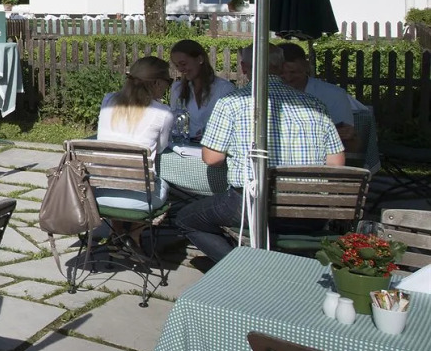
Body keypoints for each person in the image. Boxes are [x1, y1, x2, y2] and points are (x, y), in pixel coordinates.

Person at [177, 46, 344, 266]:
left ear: (245, 68)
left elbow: (211, 158)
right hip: (309, 211)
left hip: (252, 207)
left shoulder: (232, 103)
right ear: (282, 66)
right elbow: (336, 165)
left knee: (187, 219)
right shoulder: (314, 104)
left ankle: (240, 268)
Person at [93, 56, 173, 211]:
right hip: (143, 199)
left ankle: (118, 231)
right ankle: (134, 235)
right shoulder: (163, 112)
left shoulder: (108, 100)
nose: (168, 86)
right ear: (156, 82)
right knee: (165, 184)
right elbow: (162, 148)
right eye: (168, 82)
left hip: (100, 192)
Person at [280, 43, 359, 151]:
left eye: (294, 72)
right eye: (281, 73)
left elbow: (351, 144)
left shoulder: (334, 94)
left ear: (306, 67)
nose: (288, 78)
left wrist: (347, 134)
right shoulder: (265, 93)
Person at [167, 39, 234, 142]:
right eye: (177, 65)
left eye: (183, 63)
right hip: (185, 149)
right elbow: (174, 124)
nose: (180, 69)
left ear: (200, 59)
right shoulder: (177, 88)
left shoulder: (225, 88)